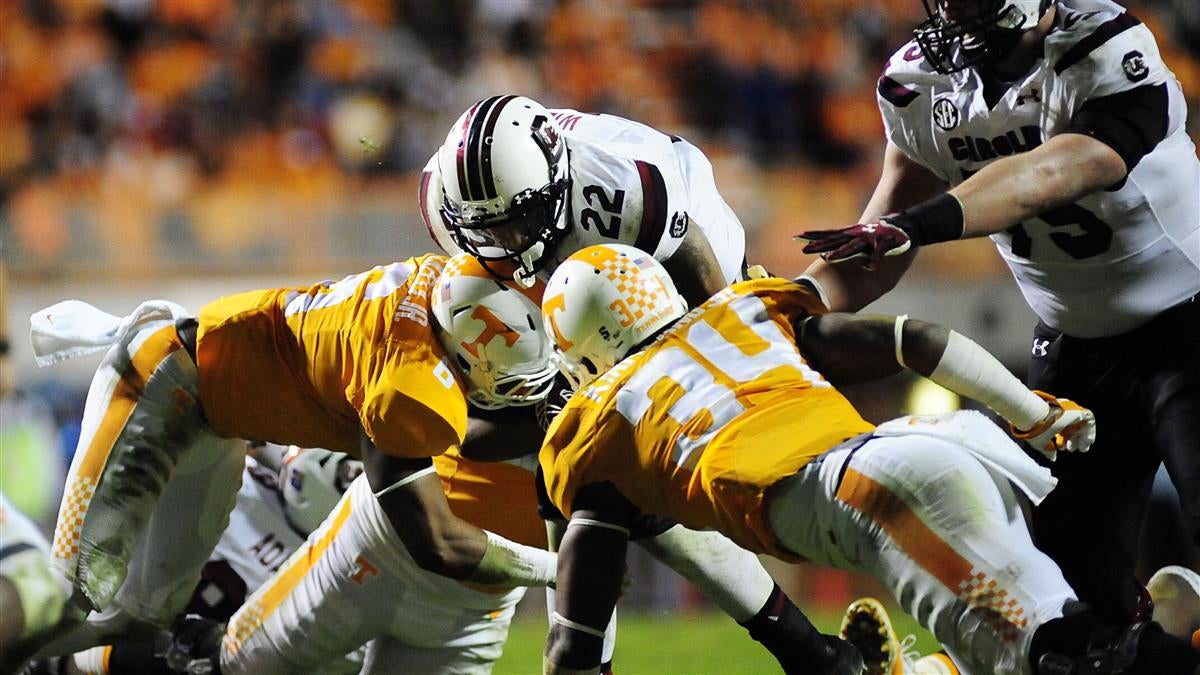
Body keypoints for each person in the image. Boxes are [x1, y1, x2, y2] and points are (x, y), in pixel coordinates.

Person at [536, 244, 1200, 675]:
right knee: (1040, 640)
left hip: (874, 495)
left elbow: (575, 643)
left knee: (1063, 657)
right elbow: (916, 337)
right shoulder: (742, 310)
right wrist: (1031, 410)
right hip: (943, 442)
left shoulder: (596, 427)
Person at [793, 0, 1200, 628]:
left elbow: (1053, 171)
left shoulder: (1104, 45)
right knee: (1072, 584)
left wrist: (914, 225)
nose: (955, 9)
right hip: (1077, 349)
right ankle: (1166, 627)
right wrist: (777, 311)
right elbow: (874, 251)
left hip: (1188, 325)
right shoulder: (919, 87)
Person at [18, 252, 559, 665]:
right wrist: (563, 569)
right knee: (66, 597)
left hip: (214, 419)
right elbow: (440, 540)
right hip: (166, 382)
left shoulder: (443, 292)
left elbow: (467, 431)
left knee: (137, 621)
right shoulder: (402, 383)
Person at [424, 94, 748, 305]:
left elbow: (698, 269)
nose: (504, 241)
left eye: (520, 221)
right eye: (488, 229)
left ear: (557, 185)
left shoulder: (626, 195)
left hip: (682, 210)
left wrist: (726, 327)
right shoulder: (444, 197)